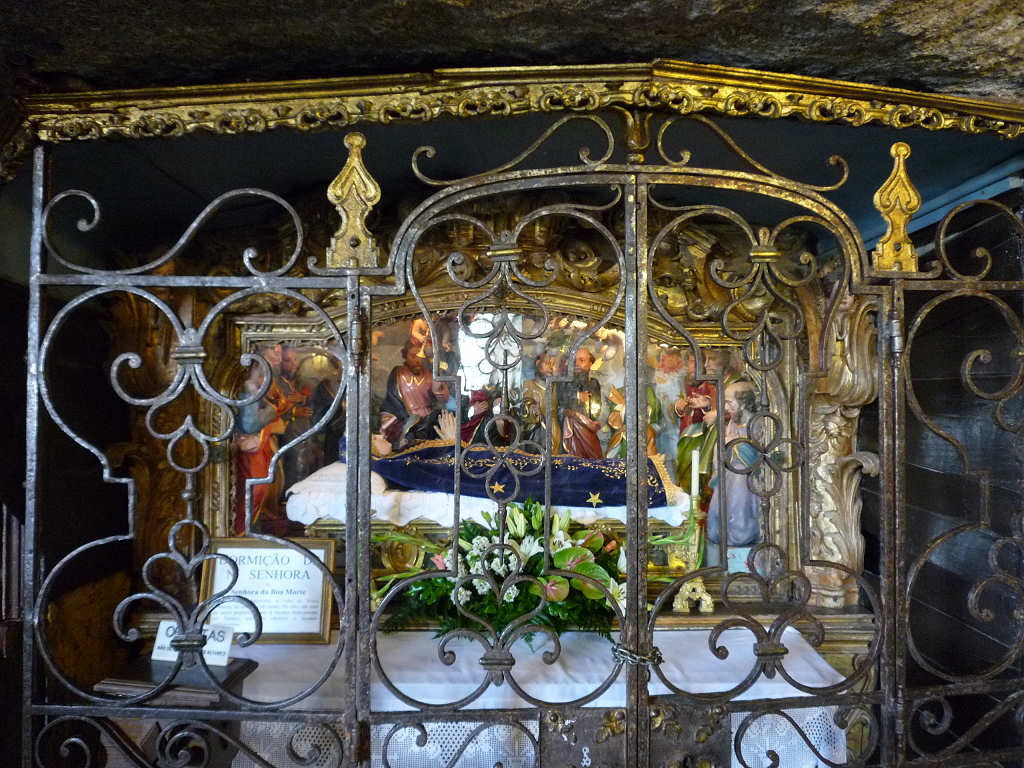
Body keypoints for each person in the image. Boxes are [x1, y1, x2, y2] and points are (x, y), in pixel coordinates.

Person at [706, 380, 762, 547]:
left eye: (730, 403)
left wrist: (733, 443)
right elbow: (725, 446)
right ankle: (719, 532)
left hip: (744, 475)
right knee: (718, 502)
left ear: (743, 403)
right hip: (728, 470)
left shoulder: (757, 423)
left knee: (738, 501)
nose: (725, 407)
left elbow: (757, 454)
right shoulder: (733, 422)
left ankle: (740, 532)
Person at [380, 340, 450, 448]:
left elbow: (444, 399)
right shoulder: (398, 374)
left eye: (420, 357)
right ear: (406, 356)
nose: (417, 361)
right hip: (405, 420)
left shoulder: (429, 375)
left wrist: (439, 379)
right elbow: (391, 400)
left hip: (427, 421)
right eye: (413, 356)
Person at [557, 347, 603, 459]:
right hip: (569, 427)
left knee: (593, 456)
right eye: (574, 361)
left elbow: (597, 407)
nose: (576, 364)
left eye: (581, 360)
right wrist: (577, 396)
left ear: (590, 363)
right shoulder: (563, 382)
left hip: (588, 427)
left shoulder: (594, 383)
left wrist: (591, 417)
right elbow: (561, 399)